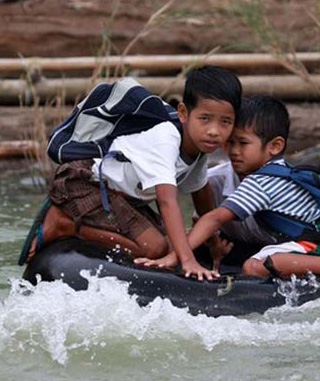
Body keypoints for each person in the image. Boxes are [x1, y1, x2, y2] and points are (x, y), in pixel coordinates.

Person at [22, 65, 242, 281]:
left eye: (226, 122)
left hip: (117, 197)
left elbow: (200, 192)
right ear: (183, 113)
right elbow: (167, 201)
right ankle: (64, 223)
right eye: (205, 119)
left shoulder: (199, 148)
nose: (214, 131)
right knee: (154, 248)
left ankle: (77, 224)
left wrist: (213, 241)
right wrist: (188, 261)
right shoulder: (166, 138)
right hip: (84, 183)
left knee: (167, 243)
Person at [137, 96, 320, 285]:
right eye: (230, 143)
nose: (234, 151)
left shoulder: (261, 182)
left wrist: (175, 255)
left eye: (243, 144)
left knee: (253, 266)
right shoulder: (282, 171)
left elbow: (215, 218)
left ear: (275, 146)